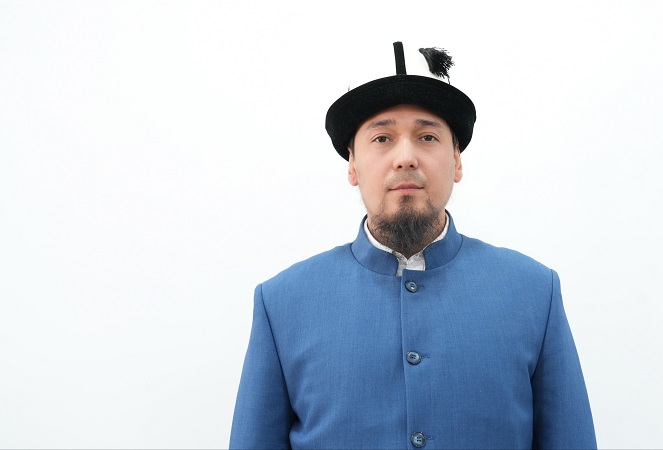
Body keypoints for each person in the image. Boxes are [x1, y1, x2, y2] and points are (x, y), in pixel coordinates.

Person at [230, 41, 596, 449]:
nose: (405, 157)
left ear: (457, 160)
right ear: (352, 164)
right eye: (382, 138)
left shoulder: (534, 292)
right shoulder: (282, 303)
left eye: (426, 136)